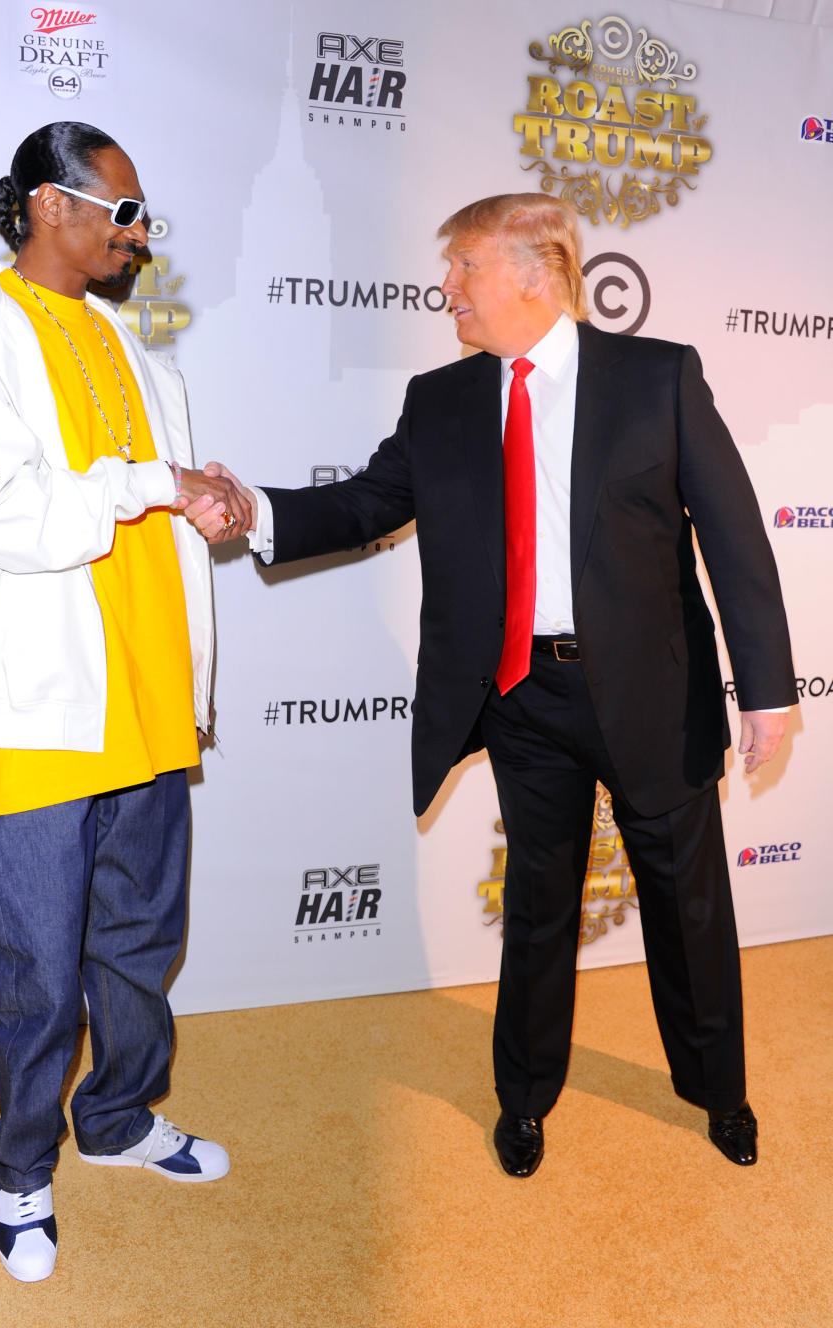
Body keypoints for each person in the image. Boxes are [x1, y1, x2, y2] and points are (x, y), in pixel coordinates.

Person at [188, 193, 796, 1179]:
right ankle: (524, 1097)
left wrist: (766, 688)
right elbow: (364, 503)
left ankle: (719, 1088)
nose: (448, 288)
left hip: (651, 690)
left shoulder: (656, 378)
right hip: (521, 697)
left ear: (536, 269)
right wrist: (251, 508)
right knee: (539, 902)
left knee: (689, 904)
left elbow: (734, 534)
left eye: (464, 266)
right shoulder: (444, 400)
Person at [0, 121, 250, 1282]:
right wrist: (159, 483)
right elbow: (5, 512)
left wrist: (212, 505)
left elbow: (159, 511)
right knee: (39, 961)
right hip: (41, 707)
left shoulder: (143, 356)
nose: (140, 235)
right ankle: (24, 1167)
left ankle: (122, 1115)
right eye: (125, 212)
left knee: (141, 941)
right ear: (53, 205)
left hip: (151, 701)